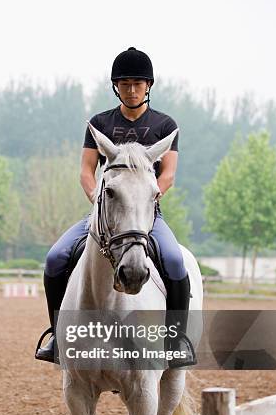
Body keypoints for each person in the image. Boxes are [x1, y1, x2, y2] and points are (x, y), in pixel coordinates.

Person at [35, 46, 194, 366]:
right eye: (124, 83)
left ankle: (176, 339)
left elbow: (169, 174)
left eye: (137, 83)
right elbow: (85, 171)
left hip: (147, 215)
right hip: (104, 213)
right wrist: (99, 201)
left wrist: (146, 198)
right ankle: (58, 336)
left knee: (176, 263)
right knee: (55, 259)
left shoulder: (164, 125)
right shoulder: (100, 123)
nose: (131, 89)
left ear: (148, 86)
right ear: (116, 87)